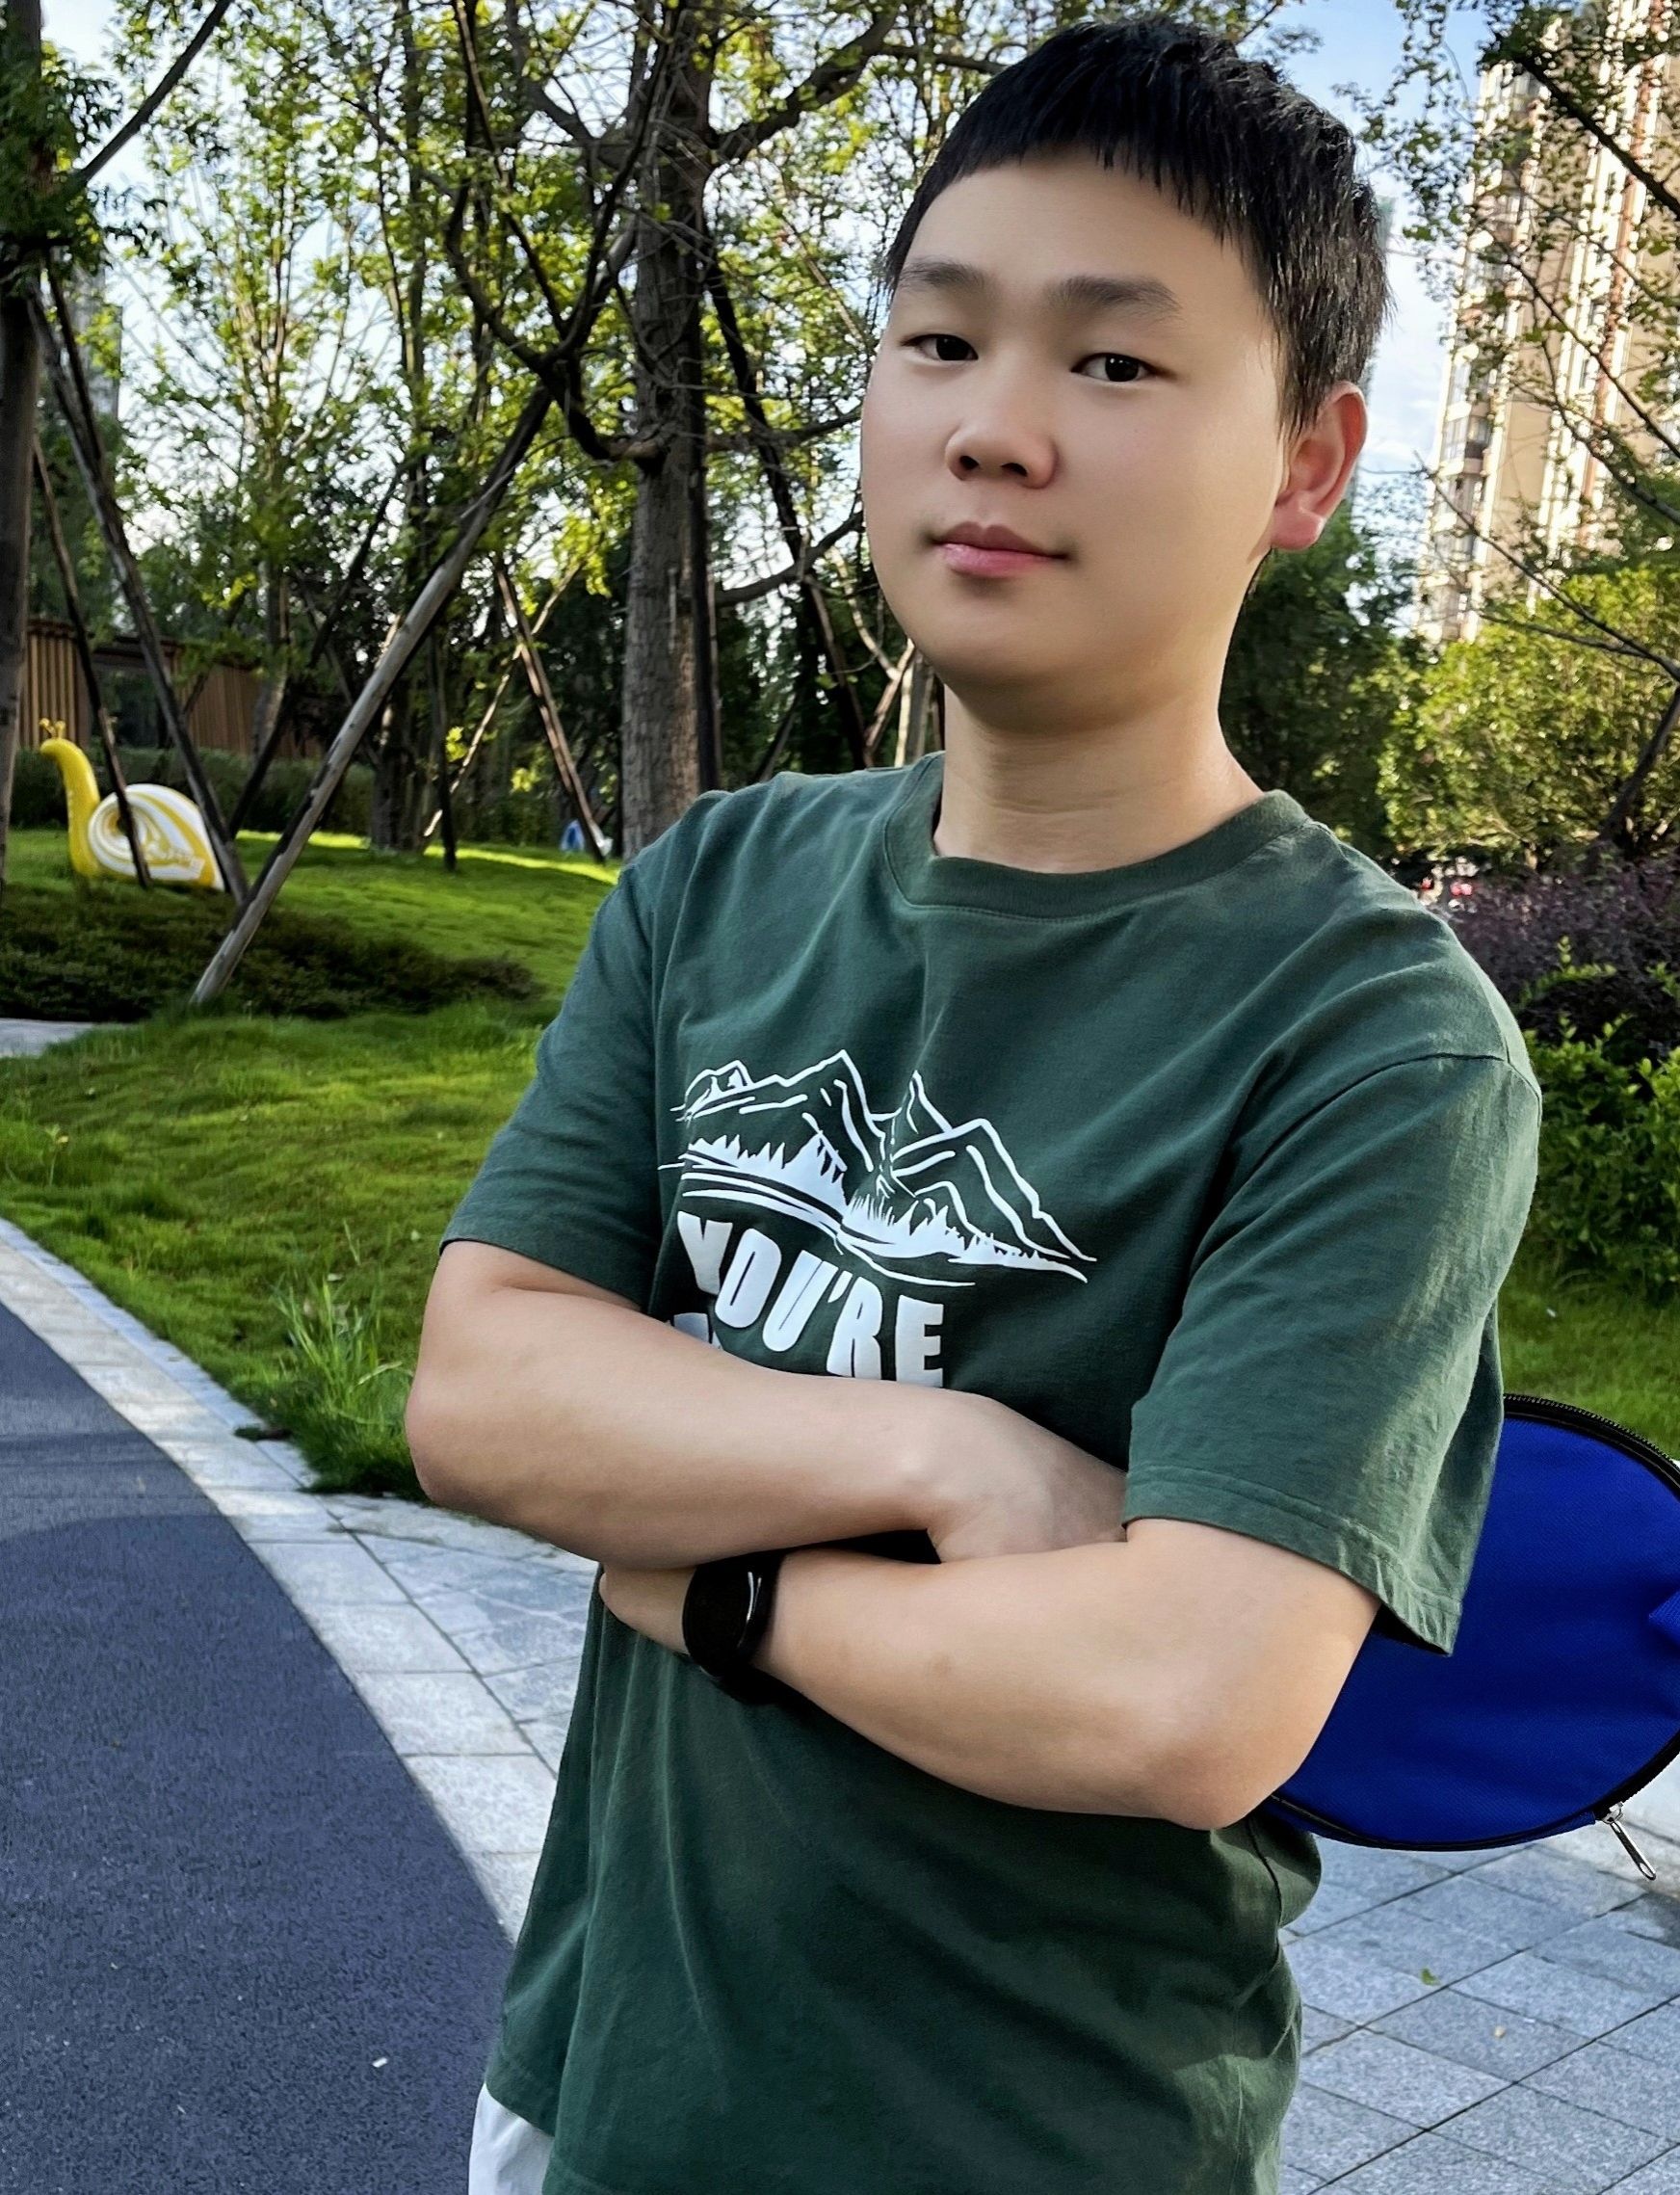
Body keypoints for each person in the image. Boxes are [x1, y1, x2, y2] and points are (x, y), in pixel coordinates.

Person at [407, 17, 1543, 2194]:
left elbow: (1176, 1696)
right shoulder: (716, 890)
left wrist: (710, 1587)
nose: (992, 429)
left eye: (1112, 362)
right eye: (938, 341)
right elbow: (482, 1385)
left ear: (1306, 464)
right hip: (600, 2083)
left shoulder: (1368, 1037)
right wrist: (947, 1456)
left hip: (1029, 2138)